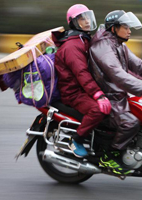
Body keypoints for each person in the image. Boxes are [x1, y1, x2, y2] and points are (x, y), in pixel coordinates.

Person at [89, 10, 142, 174]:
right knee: (131, 123)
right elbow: (117, 74)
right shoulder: (102, 46)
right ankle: (110, 156)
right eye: (125, 27)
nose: (129, 30)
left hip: (117, 96)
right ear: (113, 28)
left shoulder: (119, 45)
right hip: (107, 97)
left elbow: (139, 67)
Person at [52, 4, 111, 158]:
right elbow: (82, 73)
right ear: (73, 22)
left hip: (83, 89)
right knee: (97, 110)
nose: (86, 21)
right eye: (81, 18)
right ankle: (76, 140)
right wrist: (98, 94)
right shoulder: (72, 46)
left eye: (87, 17)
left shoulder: (83, 40)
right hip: (73, 93)